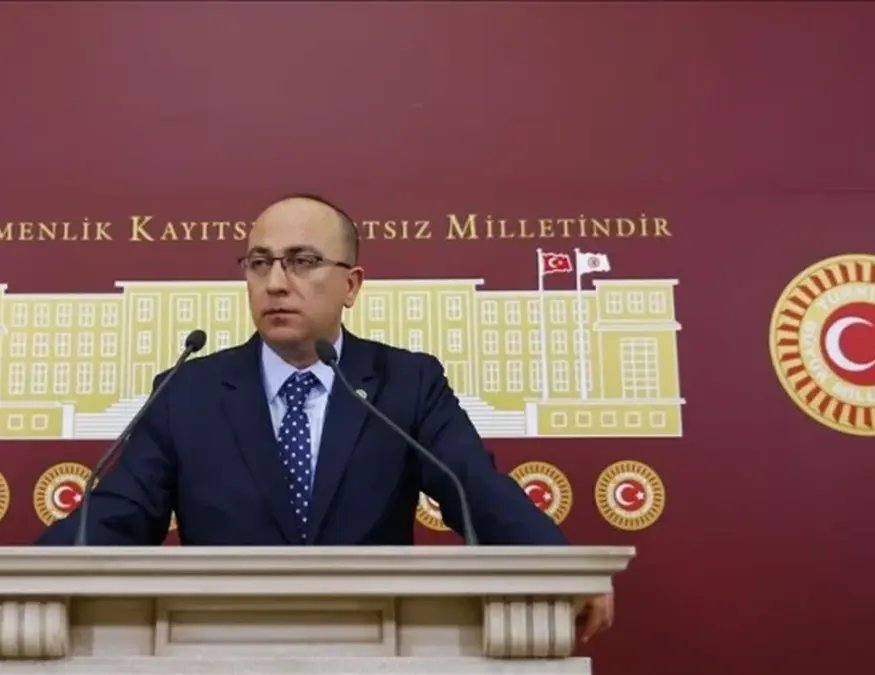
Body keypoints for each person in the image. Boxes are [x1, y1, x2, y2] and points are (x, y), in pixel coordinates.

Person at [34, 193, 614, 642]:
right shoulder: (189, 390)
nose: (275, 283)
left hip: (376, 646)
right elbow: (121, 512)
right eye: (259, 264)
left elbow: (474, 490)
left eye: (302, 262)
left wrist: (560, 569)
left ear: (350, 285)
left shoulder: (405, 383)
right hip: (220, 646)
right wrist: (33, 577)